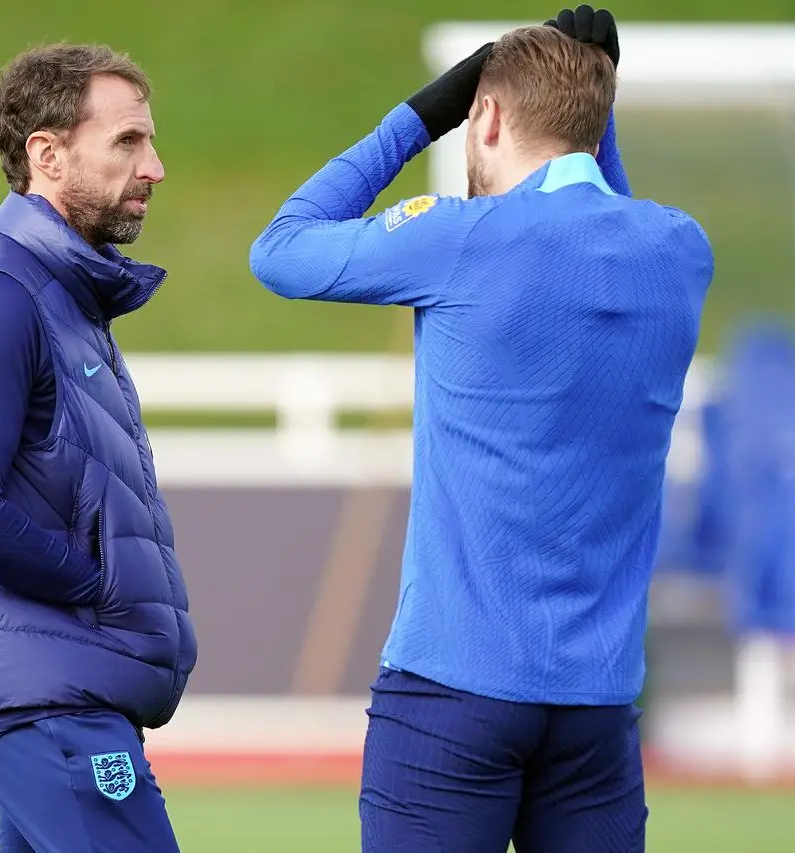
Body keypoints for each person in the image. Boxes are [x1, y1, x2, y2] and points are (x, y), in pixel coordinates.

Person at [249, 7, 713, 852]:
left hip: (450, 695)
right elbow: (611, 221)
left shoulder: (460, 239)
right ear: (596, 126)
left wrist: (424, 113)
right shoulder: (680, 251)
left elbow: (280, 249)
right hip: (598, 711)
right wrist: (595, 113)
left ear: (486, 117)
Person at [0, 42, 196, 853]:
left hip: (64, 685)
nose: (155, 167)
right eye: (129, 142)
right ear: (48, 154)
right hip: (46, 696)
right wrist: (96, 586)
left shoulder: (64, 297)